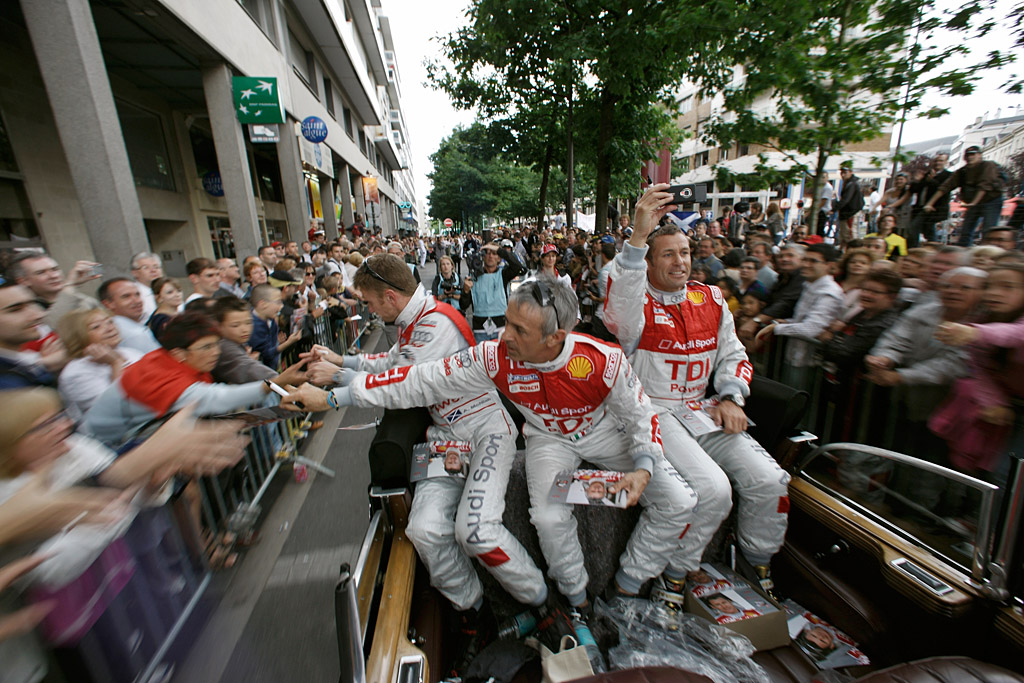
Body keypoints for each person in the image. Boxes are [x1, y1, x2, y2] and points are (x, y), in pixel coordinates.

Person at [285, 278, 696, 613]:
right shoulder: (492, 356)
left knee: (680, 500)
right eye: (506, 322)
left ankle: (627, 586)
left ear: (555, 338)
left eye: (519, 330)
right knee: (550, 520)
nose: (504, 335)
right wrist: (337, 396)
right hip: (547, 439)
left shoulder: (603, 359)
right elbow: (419, 380)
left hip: (604, 431)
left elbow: (641, 415)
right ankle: (575, 599)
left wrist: (643, 466)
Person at [301, 255, 547, 659]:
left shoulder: (438, 323)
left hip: (485, 430)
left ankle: (541, 603)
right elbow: (391, 363)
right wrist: (340, 361)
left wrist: (332, 393)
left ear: (391, 296)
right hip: (445, 435)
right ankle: (476, 611)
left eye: (370, 303)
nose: (368, 311)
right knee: (424, 530)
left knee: (475, 531)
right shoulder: (416, 319)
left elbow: (404, 386)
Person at [603, 185, 789, 596]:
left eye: (685, 252)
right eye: (667, 254)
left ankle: (758, 565)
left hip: (705, 409)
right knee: (713, 489)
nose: (680, 261)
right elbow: (620, 299)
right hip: (654, 412)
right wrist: (637, 237)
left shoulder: (712, 298)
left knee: (771, 479)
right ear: (649, 263)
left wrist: (730, 397)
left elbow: (734, 355)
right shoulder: (634, 306)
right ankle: (673, 577)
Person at [83, 312, 306, 446]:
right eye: (206, 347)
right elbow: (218, 397)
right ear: (180, 353)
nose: (215, 353)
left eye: (216, 345)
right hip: (106, 447)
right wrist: (274, 383)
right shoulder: (161, 376)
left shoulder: (166, 359)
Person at [930, 262, 1024, 482]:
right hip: (1013, 407)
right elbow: (980, 368)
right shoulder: (983, 319)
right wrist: (994, 402)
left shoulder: (980, 328)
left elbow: (1016, 334)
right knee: (997, 473)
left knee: (1010, 478)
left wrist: (976, 333)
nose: (994, 292)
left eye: (1007, 286)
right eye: (989, 286)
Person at [756, 244, 844, 390]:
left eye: (813, 261)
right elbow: (802, 320)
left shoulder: (829, 292)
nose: (806, 265)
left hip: (808, 362)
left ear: (829, 265)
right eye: (805, 260)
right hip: (794, 356)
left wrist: (776, 328)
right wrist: (785, 322)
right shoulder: (809, 285)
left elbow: (811, 329)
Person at [56, 308, 144, 418]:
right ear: (77, 336)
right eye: (96, 327)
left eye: (110, 322)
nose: (110, 328)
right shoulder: (74, 373)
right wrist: (116, 363)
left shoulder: (129, 352)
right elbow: (116, 410)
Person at [923, 146, 1005, 247]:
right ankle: (962, 254)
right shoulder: (962, 171)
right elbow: (945, 187)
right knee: (966, 230)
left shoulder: (988, 165)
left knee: (988, 230)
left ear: (979, 155)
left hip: (991, 201)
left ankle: (989, 253)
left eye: (973, 154)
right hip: (973, 203)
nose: (970, 157)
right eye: (968, 155)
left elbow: (984, 185)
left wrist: (974, 203)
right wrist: (930, 203)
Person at [8, 252, 99, 330]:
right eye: (41, 272)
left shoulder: (83, 299)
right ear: (23, 281)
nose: (53, 276)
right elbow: (52, 327)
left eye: (55, 269)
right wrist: (70, 284)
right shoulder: (23, 309)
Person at [0, 283, 63, 389]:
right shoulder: (7, 384)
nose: (38, 315)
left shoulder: (26, 363)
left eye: (32, 304)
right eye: (15, 309)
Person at [465, 241, 526, 341]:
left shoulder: (504, 274)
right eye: (487, 253)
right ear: (483, 257)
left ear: (499, 258)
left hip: (501, 327)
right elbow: (464, 304)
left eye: (494, 253)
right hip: (480, 329)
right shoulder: (473, 277)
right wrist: (466, 291)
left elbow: (518, 266)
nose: (490, 256)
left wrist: (499, 250)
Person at [211, 297, 277, 384]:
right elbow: (249, 368)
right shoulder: (224, 346)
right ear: (218, 326)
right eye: (235, 325)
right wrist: (281, 380)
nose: (245, 329)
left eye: (248, 323)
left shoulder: (236, 342)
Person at [98, 277, 161, 354]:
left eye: (137, 295)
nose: (137, 301)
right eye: (126, 296)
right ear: (108, 304)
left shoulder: (130, 327)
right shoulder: (134, 334)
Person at [249, 284, 302, 370]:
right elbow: (266, 354)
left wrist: (277, 342)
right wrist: (288, 342)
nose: (281, 306)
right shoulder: (254, 326)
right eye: (278, 302)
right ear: (263, 304)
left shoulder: (271, 319)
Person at [908, 154, 952, 247]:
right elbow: (914, 189)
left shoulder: (948, 175)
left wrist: (931, 180)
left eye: (940, 161)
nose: (937, 163)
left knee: (915, 228)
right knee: (926, 231)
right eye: (936, 161)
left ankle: (929, 250)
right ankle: (928, 250)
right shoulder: (927, 174)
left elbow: (943, 190)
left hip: (934, 209)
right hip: (920, 208)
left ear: (946, 162)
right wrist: (916, 181)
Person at [761, 243, 805, 320]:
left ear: (802, 259)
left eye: (790, 255)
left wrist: (758, 319)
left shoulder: (802, 278)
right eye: (781, 256)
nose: (784, 259)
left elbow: (786, 303)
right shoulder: (782, 277)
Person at [835, 164, 864, 248]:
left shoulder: (852, 184)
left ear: (850, 172)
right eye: (842, 173)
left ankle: (854, 251)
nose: (843, 175)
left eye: (845, 172)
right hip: (846, 213)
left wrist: (835, 208)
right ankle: (843, 251)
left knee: (850, 235)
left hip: (850, 213)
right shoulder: (849, 183)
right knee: (844, 234)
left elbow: (846, 199)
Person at [129, 252, 163, 321]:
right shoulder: (133, 294)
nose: (153, 270)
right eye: (146, 267)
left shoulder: (168, 288)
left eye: (156, 267)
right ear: (135, 273)